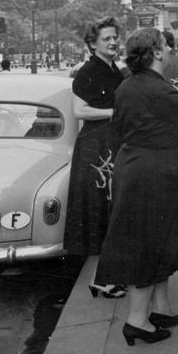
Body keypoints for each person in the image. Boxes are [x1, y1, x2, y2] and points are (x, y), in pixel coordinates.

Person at [94, 27, 178, 345]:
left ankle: (159, 309)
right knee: (148, 243)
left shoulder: (132, 84)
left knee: (157, 239)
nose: (172, 49)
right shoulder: (156, 89)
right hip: (153, 174)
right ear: (156, 53)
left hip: (139, 170)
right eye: (166, 46)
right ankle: (137, 321)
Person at [63, 17, 127, 299]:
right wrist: (113, 113)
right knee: (101, 210)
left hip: (112, 143)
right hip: (96, 147)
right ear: (92, 43)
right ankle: (100, 279)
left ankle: (105, 276)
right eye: (106, 39)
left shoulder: (116, 70)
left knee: (111, 210)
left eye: (115, 37)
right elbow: (79, 110)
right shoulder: (87, 72)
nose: (113, 42)